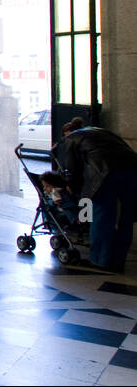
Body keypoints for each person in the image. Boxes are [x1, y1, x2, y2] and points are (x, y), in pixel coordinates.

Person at [54, 117, 137, 272]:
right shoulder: (100, 131)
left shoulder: (71, 139)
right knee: (127, 219)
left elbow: (71, 170)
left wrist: (72, 188)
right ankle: (118, 261)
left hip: (106, 174)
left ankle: (100, 261)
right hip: (133, 169)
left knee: (102, 216)